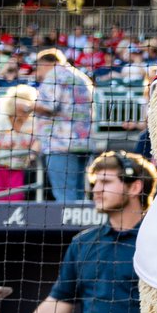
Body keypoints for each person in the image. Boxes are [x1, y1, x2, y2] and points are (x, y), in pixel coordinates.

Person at [1, 150, 157, 313]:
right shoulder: (84, 243)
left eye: (106, 182)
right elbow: (59, 302)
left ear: (135, 187)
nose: (96, 190)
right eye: (94, 183)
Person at [32, 48, 94, 202]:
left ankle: (69, 227)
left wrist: (25, 106)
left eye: (38, 66)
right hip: (83, 142)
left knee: (65, 197)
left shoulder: (54, 75)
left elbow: (48, 106)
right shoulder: (80, 76)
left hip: (60, 144)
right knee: (79, 195)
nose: (38, 71)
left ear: (46, 63)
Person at [0, 84, 37, 201]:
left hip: (19, 168)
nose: (24, 112)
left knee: (16, 198)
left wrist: (33, 154)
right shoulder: (0, 121)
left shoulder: (32, 124)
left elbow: (38, 142)